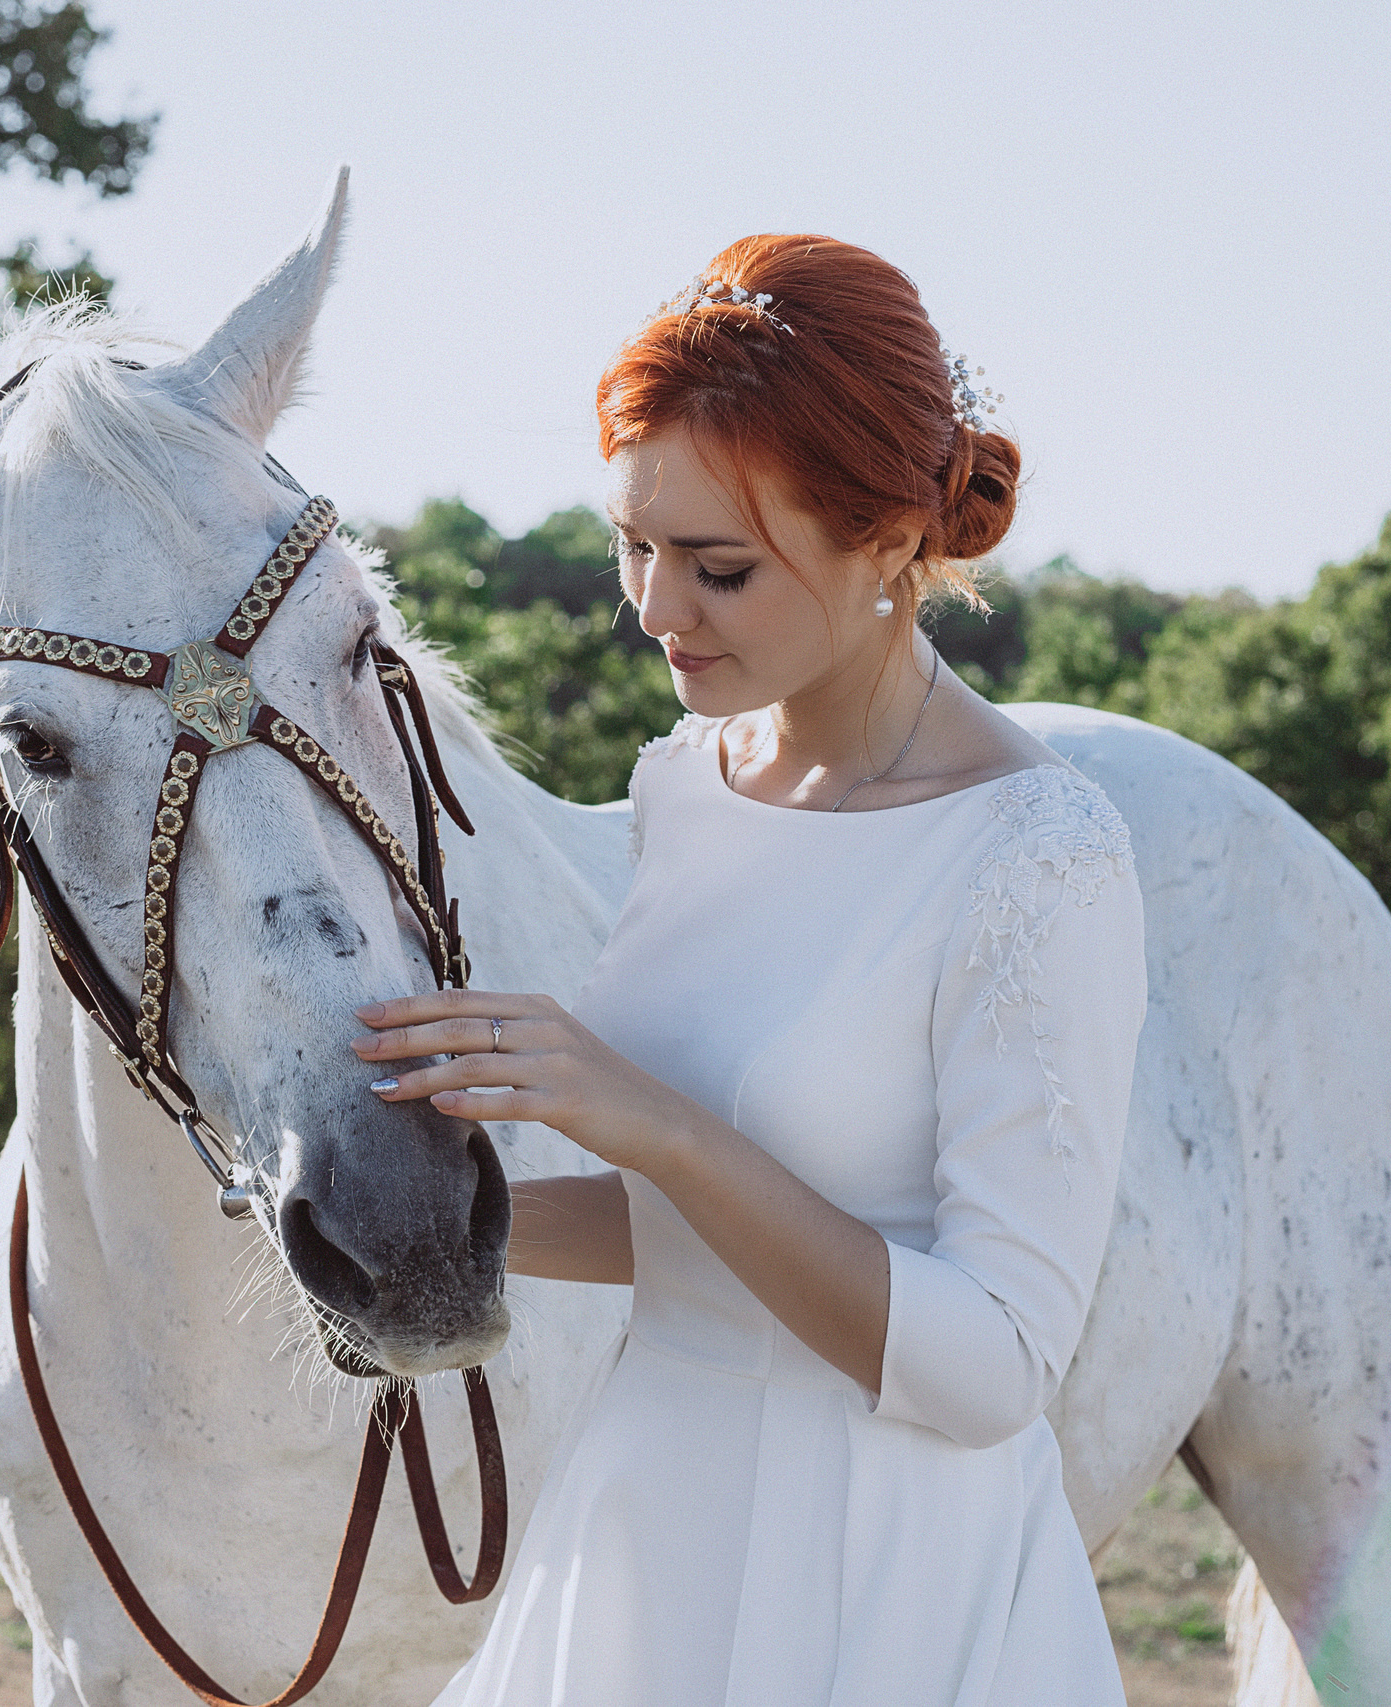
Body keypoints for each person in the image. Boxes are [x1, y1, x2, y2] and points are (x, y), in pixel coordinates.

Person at [351, 235, 1147, 1705]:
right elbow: (697, 1237)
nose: (657, 610)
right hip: (647, 1529)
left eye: (720, 568)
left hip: (881, 1577)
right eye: (635, 545)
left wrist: (656, 1125)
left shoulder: (1038, 853)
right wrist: (434, 1220)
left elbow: (995, 1370)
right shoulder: (685, 785)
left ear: (891, 542)